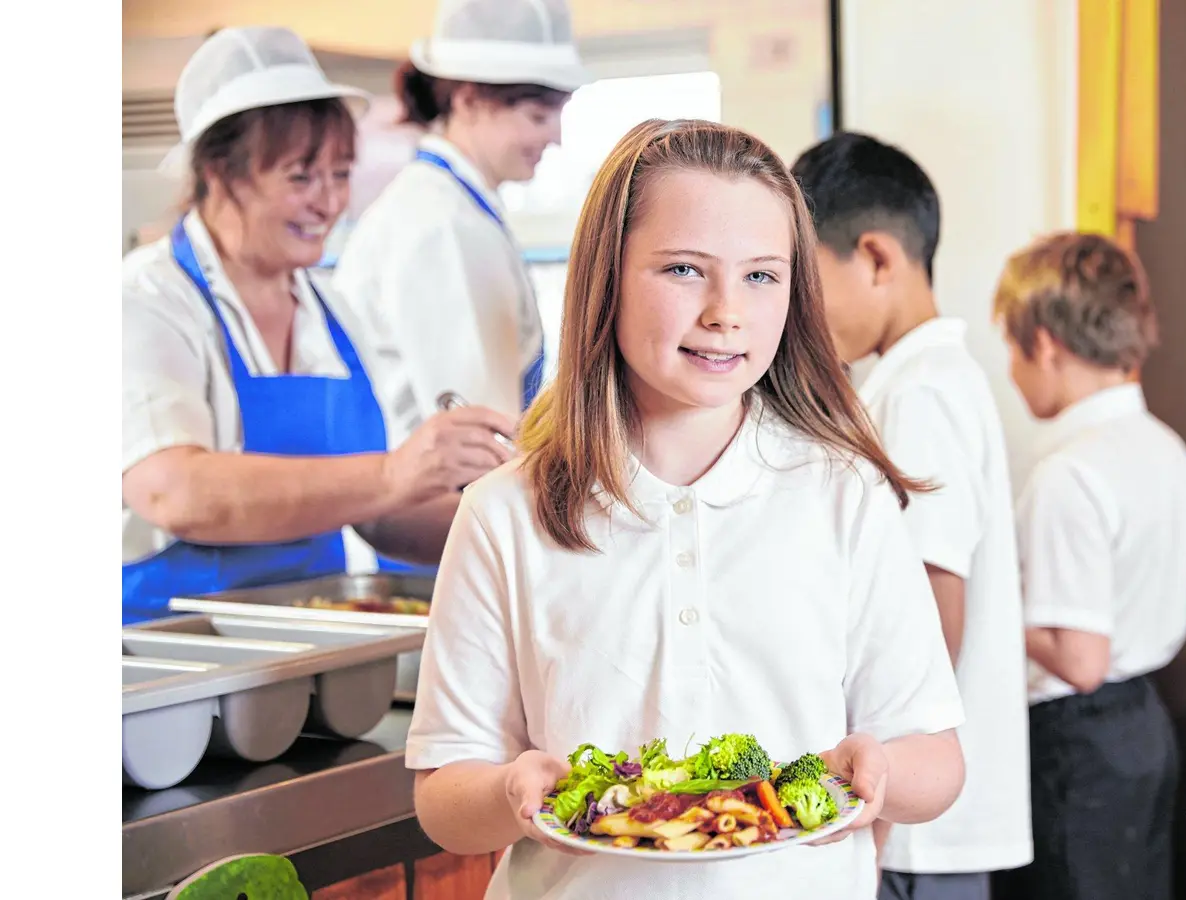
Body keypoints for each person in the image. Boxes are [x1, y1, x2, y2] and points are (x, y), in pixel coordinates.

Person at [405, 119, 969, 899]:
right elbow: (442, 798)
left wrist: (881, 768)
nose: (726, 311)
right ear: (607, 278)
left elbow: (937, 761)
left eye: (762, 276)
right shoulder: (506, 511)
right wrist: (508, 790)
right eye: (682, 270)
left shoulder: (844, 493)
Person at [121, 27, 515, 625]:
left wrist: (520, 529)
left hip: (304, 640)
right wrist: (395, 470)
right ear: (220, 174)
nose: (329, 203)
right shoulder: (146, 299)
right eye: (301, 177)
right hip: (164, 649)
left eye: (339, 174)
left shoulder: (334, 314)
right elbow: (172, 490)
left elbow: (378, 512)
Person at [791, 132, 1032, 900]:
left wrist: (887, 790)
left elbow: (934, 602)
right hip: (913, 800)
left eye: (804, 280)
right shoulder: (917, 381)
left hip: (920, 823)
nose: (796, 309)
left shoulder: (920, 393)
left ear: (876, 258)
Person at [987, 232, 1186, 900]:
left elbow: (1079, 659)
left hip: (1074, 745)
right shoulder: (1166, 448)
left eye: (1011, 350)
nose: (1012, 372)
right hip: (1144, 724)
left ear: (1045, 344)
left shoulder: (1068, 474)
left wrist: (988, 603)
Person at [334, 0, 591, 445]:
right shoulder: (443, 225)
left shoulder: (453, 205)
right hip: (445, 505)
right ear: (469, 100)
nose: (556, 137)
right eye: (537, 115)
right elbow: (481, 432)